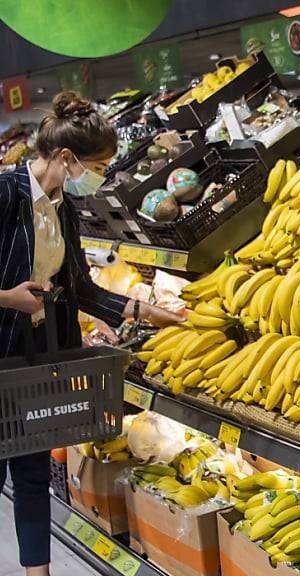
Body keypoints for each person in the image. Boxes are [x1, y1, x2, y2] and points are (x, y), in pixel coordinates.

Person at [0, 91, 183, 575]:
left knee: (33, 472)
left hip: (39, 357)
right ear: (66, 157)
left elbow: (80, 288)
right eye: (98, 166)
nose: (100, 176)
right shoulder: (5, 194)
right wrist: (7, 298)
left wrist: (145, 311)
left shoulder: (63, 208)